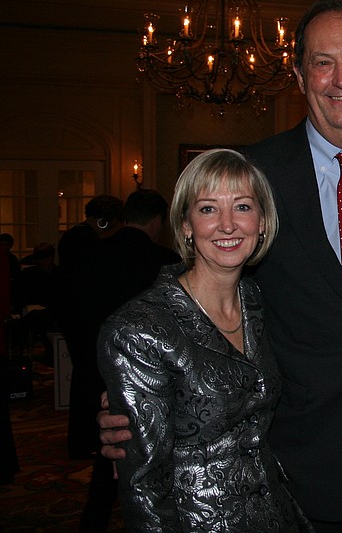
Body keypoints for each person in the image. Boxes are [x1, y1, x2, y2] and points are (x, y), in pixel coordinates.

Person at [99, 0, 342, 532]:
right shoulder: (255, 174)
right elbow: (208, 293)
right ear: (299, 76)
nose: (341, 79)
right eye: (322, 62)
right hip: (303, 466)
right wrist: (143, 393)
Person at [97, 149, 312, 532]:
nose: (227, 225)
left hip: (276, 513)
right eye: (208, 209)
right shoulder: (139, 329)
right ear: (185, 225)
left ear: (262, 221)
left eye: (242, 206)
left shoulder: (257, 302)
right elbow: (143, 488)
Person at [78, 189, 181, 532]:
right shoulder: (166, 262)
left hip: (95, 364)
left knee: (110, 451)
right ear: (158, 222)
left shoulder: (93, 254)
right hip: (152, 377)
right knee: (133, 453)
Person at [57, 194, 124, 458]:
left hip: (76, 317)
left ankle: (83, 439)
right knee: (87, 378)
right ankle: (85, 439)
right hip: (82, 320)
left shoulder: (75, 237)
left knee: (84, 377)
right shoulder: (84, 240)